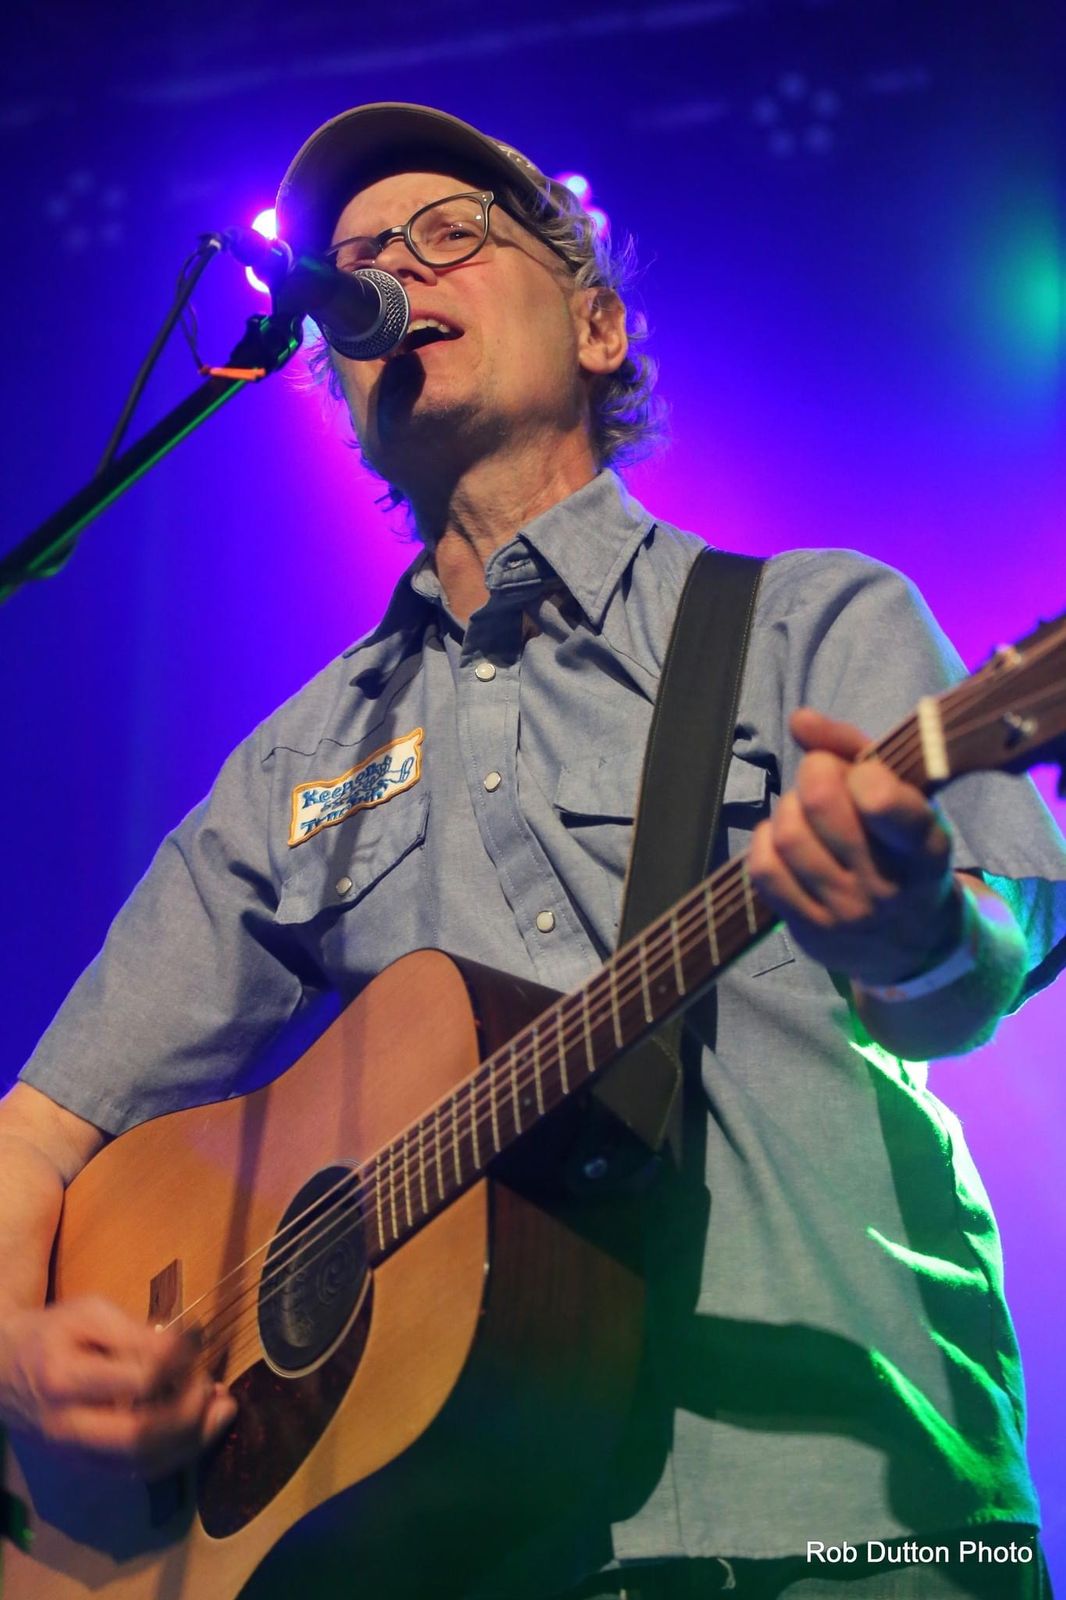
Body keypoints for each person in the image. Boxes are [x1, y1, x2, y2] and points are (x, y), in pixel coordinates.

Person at [1, 102, 1064, 1600]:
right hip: (462, 1556)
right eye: (358, 261)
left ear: (598, 327)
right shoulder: (298, 764)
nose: (389, 272)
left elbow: (972, 975)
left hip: (845, 1526)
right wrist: (15, 1356)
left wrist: (915, 928)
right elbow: (40, 1131)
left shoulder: (810, 621)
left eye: (449, 234)